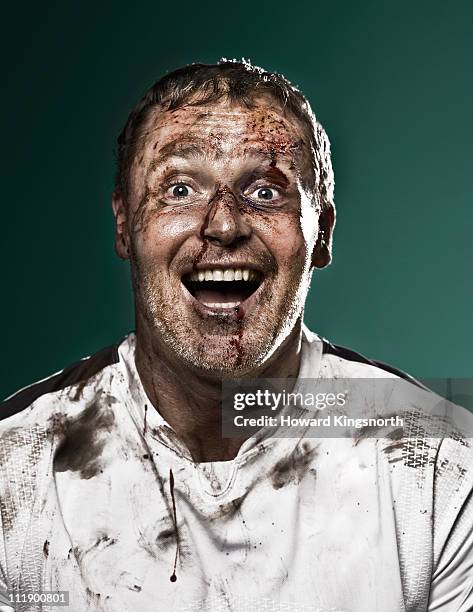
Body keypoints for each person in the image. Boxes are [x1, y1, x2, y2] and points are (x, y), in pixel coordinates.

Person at [1, 60, 472, 612]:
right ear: (125, 224)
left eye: (266, 192)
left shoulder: (440, 464)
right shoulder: (17, 471)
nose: (223, 225)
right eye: (179, 189)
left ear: (322, 231)